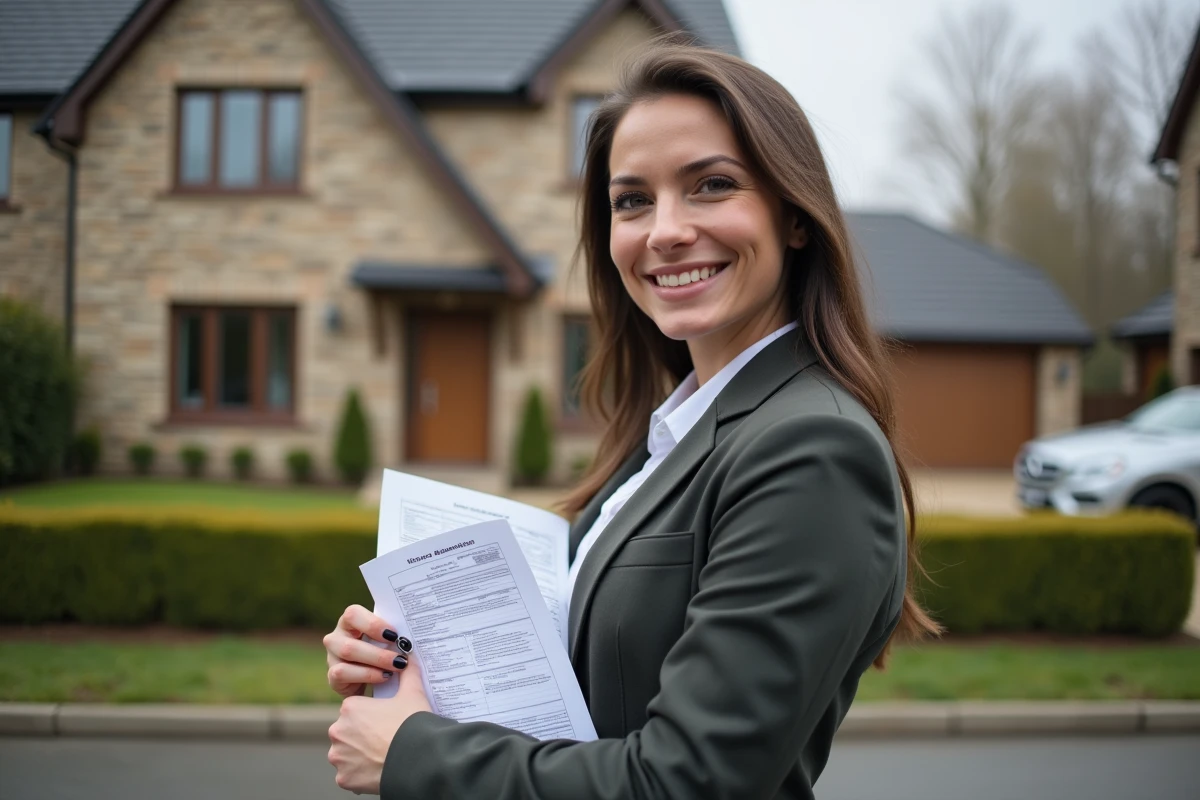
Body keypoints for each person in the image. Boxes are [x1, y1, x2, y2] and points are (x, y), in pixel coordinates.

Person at [323, 35, 940, 799]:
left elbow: (683, 782)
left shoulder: (812, 450)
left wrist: (413, 755)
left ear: (795, 216)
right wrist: (409, 664)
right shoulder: (667, 438)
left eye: (712, 185)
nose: (664, 230)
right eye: (632, 200)